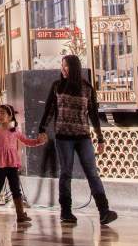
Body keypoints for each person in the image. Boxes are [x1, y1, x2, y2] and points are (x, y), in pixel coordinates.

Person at [38, 55, 118, 225]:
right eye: (62, 66)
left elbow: (94, 114)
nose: (62, 69)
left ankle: (104, 211)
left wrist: (100, 138)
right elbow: (49, 110)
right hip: (63, 137)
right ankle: (65, 211)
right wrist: (42, 129)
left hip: (83, 137)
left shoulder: (87, 88)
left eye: (65, 66)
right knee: (66, 173)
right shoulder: (57, 86)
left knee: (92, 173)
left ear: (73, 68)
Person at [0, 104, 46, 223]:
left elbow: (26, 141)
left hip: (12, 164)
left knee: (15, 188)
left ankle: (20, 214)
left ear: (10, 116)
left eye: (2, 113)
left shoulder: (15, 131)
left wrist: (38, 142)